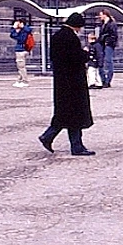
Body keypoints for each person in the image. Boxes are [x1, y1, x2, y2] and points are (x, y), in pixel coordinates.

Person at [38, 12, 95, 156]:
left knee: (65, 114)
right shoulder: (71, 38)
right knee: (74, 114)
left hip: (61, 80)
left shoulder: (56, 36)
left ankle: (49, 136)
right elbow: (76, 58)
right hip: (73, 81)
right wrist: (86, 53)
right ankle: (76, 146)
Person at [96, 9, 118, 88]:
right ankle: (103, 79)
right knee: (101, 61)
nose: (100, 16)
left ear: (105, 15)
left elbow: (114, 35)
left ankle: (108, 80)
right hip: (102, 43)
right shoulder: (102, 24)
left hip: (108, 44)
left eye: (101, 14)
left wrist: (108, 41)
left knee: (109, 61)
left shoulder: (112, 24)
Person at [10, 19, 32, 88]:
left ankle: (25, 81)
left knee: (21, 66)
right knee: (20, 66)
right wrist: (14, 28)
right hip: (23, 50)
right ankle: (19, 80)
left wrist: (19, 28)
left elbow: (19, 38)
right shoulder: (23, 30)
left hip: (21, 50)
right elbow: (12, 35)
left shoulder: (24, 30)